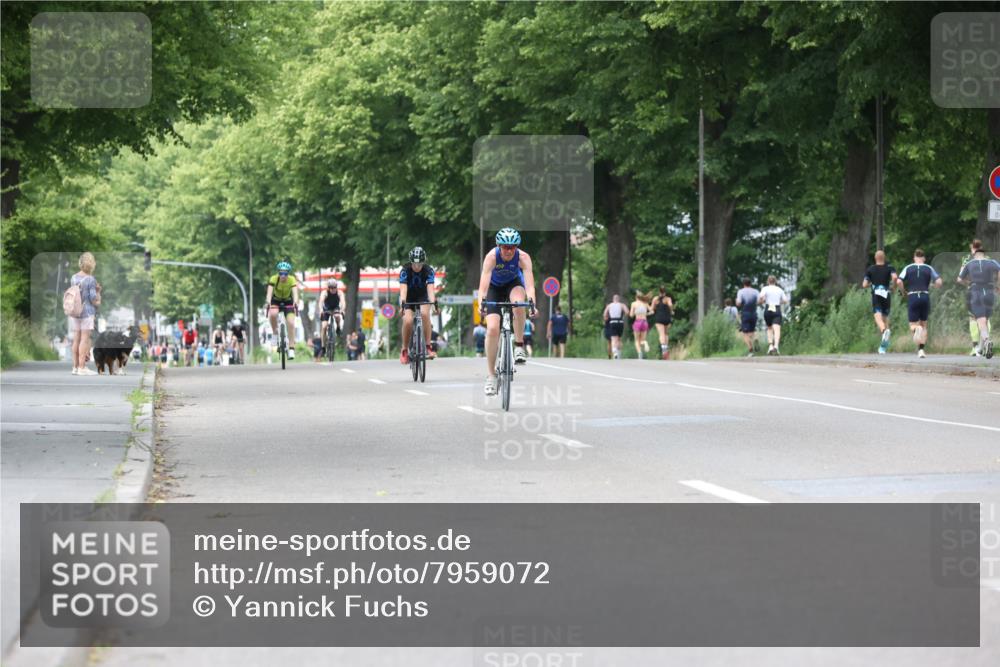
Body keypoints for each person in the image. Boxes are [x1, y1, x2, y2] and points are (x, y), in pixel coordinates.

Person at [478, 227, 536, 396]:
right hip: (494, 288)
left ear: (517, 247)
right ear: (499, 245)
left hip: (514, 285)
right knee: (492, 329)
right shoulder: (491, 257)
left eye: (513, 247)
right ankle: (491, 376)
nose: (509, 250)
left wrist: (532, 303)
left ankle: (519, 345)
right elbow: (483, 286)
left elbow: (530, 285)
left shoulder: (523, 258)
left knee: (518, 304)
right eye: (505, 247)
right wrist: (481, 303)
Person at [896, 249, 942, 358]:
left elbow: (898, 281)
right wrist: (933, 287)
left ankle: (916, 329)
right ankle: (921, 350)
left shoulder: (908, 268)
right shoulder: (929, 268)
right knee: (924, 324)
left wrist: (903, 292)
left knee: (913, 325)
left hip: (912, 296)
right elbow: (939, 282)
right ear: (924, 258)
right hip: (925, 296)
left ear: (914, 258)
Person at [958, 243, 1000, 359]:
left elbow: (959, 279)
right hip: (990, 292)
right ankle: (981, 349)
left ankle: (986, 341)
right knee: (985, 321)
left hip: (976, 292)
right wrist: (998, 285)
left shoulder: (969, 263)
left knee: (980, 321)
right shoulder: (991, 262)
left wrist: (969, 283)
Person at [399, 247, 438, 363]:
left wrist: (434, 304)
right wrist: (403, 304)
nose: (417, 267)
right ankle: (405, 350)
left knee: (425, 314)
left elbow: (430, 290)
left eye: (420, 264)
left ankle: (428, 346)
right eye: (414, 264)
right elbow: (403, 290)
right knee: (408, 321)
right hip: (408, 297)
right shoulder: (405, 271)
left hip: (422, 296)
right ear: (411, 262)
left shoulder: (428, 270)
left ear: (423, 262)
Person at [69, 252, 101, 375]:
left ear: (80, 263)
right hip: (87, 312)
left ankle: (75, 367)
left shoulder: (73, 278)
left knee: (76, 339)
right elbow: (94, 299)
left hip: (75, 311)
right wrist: (98, 292)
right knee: (84, 339)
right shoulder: (90, 279)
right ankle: (82, 367)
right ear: (92, 265)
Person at [862, 251, 898, 354]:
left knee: (878, 318)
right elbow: (895, 277)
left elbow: (864, 284)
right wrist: (894, 287)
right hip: (887, 294)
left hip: (876, 294)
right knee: (885, 319)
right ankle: (883, 348)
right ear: (884, 257)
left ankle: (884, 331)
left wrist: (871, 284)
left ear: (875, 258)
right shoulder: (890, 267)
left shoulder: (870, 269)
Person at [265, 260, 300, 359]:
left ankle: (291, 348)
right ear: (278, 273)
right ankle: (275, 333)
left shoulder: (292, 279)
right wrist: (268, 301)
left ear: (288, 273)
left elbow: (295, 293)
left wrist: (296, 301)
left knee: (291, 323)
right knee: (273, 314)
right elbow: (269, 293)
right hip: (276, 300)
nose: (283, 275)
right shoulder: (273, 278)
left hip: (288, 301)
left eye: (285, 273)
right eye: (281, 273)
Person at [962, 240, 992, 355]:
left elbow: (961, 276)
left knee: (973, 318)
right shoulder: (988, 258)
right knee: (986, 318)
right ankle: (983, 346)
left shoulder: (967, 259)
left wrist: (969, 283)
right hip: (988, 290)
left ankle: (975, 347)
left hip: (974, 290)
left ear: (972, 248)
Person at [758, 276, 790, 356]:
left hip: (768, 308)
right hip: (777, 308)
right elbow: (786, 300)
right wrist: (779, 302)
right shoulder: (779, 289)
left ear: (768, 281)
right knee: (777, 329)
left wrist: (763, 301)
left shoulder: (765, 288)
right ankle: (776, 346)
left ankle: (770, 346)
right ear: (775, 281)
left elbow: (761, 296)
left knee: (769, 328)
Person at [316, 278, 345, 351]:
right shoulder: (324, 293)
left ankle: (338, 327)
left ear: (336, 287)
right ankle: (323, 346)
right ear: (328, 288)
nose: (333, 289)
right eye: (331, 288)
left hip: (335, 308)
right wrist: (321, 310)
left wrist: (342, 310)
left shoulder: (339, 293)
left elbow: (343, 302)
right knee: (324, 326)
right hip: (326, 309)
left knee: (337, 316)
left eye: (334, 287)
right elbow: (321, 302)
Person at [735, 278, 760, 357]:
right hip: (754, 313)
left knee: (745, 333)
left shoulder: (741, 291)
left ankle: (750, 350)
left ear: (744, 284)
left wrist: (736, 302)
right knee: (752, 331)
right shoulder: (756, 291)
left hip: (745, 313)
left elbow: (738, 303)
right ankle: (755, 338)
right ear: (750, 284)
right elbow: (759, 301)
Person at [651, 288, 674, 360]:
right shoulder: (668, 299)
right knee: (666, 334)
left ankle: (664, 349)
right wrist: (671, 311)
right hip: (667, 318)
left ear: (659, 292)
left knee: (661, 334)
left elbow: (652, 308)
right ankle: (666, 349)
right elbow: (670, 305)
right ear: (665, 292)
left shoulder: (655, 299)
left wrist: (655, 308)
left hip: (659, 318)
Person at [603, 294, 627, 360]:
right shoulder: (622, 305)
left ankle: (615, 352)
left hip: (613, 322)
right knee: (619, 338)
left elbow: (604, 314)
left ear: (613, 299)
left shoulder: (609, 306)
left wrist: (608, 317)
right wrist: (623, 316)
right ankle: (619, 353)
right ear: (618, 299)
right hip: (620, 322)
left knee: (613, 339)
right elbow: (627, 312)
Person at [628, 290, 651, 359]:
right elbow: (652, 311)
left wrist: (635, 313)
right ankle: (645, 343)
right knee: (642, 340)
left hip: (637, 322)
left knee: (637, 340)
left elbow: (631, 315)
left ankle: (639, 353)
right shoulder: (645, 304)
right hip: (644, 322)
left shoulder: (633, 304)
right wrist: (645, 314)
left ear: (636, 297)